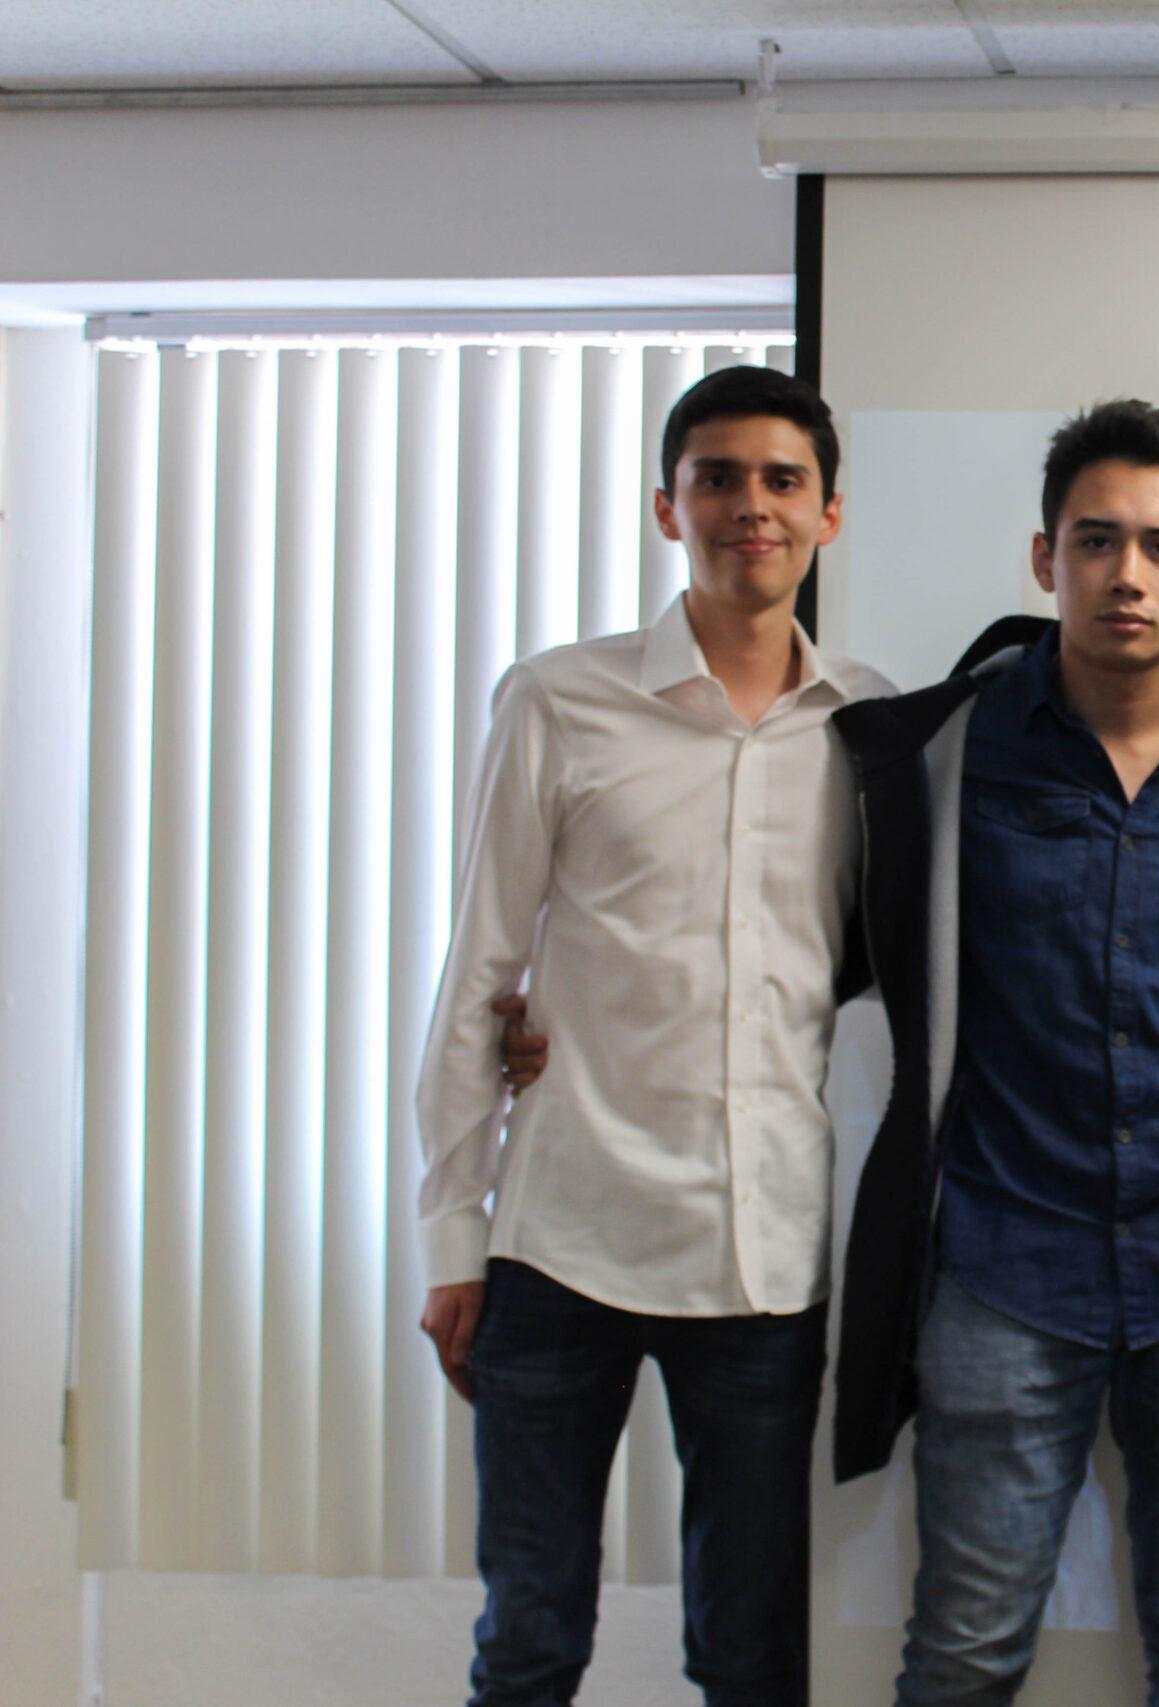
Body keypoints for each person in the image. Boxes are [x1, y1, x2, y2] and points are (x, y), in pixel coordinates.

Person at [826, 399, 1159, 1707]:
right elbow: (810, 947)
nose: (1129, 574)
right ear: (1044, 558)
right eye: (1096, 541)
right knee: (965, 1648)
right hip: (1006, 1265)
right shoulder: (945, 755)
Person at [414, 364, 894, 1706]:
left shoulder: (872, 727)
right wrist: (452, 1234)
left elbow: (877, 965)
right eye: (718, 478)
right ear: (667, 507)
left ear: (829, 513)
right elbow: (481, 969)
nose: (753, 506)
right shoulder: (558, 700)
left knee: (751, 1656)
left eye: (784, 481)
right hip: (562, 1238)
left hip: (763, 1254)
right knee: (531, 1640)